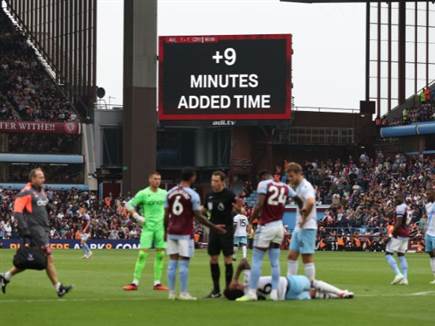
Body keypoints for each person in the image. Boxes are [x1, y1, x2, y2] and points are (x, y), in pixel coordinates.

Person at [0, 168, 72, 297]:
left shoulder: (40, 191)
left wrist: (48, 206)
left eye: (43, 177)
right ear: (32, 178)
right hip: (34, 230)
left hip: (43, 229)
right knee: (48, 257)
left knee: (30, 259)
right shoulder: (25, 193)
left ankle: (6, 276)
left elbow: (41, 204)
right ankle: (58, 288)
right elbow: (17, 211)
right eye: (40, 177)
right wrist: (25, 231)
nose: (42, 179)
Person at [236, 171, 302, 302]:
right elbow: (298, 199)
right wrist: (303, 212)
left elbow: (260, 204)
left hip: (266, 226)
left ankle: (252, 292)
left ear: (262, 178)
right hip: (279, 226)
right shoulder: (285, 187)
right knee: (275, 262)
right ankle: (274, 293)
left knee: (257, 260)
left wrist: (250, 221)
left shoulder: (263, 184)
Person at [165, 168, 226, 300]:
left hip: (171, 232)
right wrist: (214, 227)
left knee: (172, 262)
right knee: (184, 262)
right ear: (192, 178)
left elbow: (166, 215)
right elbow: (199, 217)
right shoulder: (192, 194)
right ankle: (184, 293)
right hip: (184, 233)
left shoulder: (170, 193)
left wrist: (165, 231)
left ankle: (171, 293)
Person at [123, 172, 168, 291]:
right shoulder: (143, 193)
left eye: (159, 179)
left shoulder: (164, 194)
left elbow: (171, 208)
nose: (157, 181)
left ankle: (157, 283)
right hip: (148, 226)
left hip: (160, 228)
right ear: (150, 180)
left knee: (161, 254)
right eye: (155, 179)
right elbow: (128, 205)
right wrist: (137, 216)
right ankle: (134, 283)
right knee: (143, 254)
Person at [224, 259, 353, 301]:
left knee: (313, 294)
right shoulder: (249, 281)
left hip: (287, 297)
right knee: (313, 283)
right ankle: (340, 292)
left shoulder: (248, 296)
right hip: (288, 282)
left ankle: (338, 296)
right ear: (234, 287)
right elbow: (243, 263)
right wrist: (235, 277)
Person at [204, 171, 238, 299]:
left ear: (222, 182)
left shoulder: (229, 195)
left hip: (226, 231)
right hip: (214, 230)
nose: (213, 183)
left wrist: (240, 208)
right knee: (213, 258)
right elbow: (205, 209)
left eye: (216, 181)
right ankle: (216, 290)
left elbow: (239, 207)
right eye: (212, 180)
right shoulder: (209, 195)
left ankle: (228, 290)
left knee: (227, 259)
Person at [286, 162, 318, 281]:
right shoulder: (298, 186)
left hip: (307, 226)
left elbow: (310, 202)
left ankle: (311, 284)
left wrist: (303, 219)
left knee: (306, 257)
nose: (290, 179)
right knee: (292, 255)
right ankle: (290, 283)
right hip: (299, 227)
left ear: (299, 174)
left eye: (291, 176)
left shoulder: (306, 186)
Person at [385, 194, 410, 285]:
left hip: (398, 233)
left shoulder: (400, 207)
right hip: (405, 233)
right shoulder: (405, 207)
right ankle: (405, 278)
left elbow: (399, 222)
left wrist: (391, 234)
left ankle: (398, 274)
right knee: (401, 255)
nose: (395, 199)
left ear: (401, 198)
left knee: (388, 254)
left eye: (397, 197)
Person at [424, 190, 435, 284]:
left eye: (429, 194)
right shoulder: (427, 206)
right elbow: (428, 218)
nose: (427, 196)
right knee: (431, 254)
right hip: (428, 232)